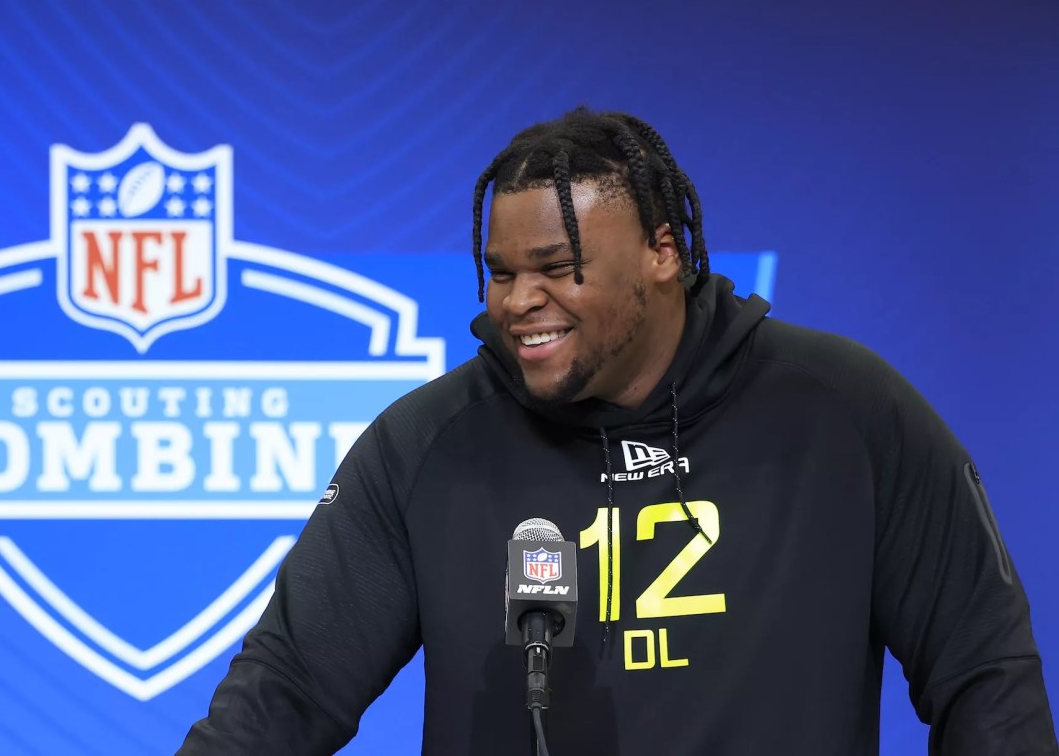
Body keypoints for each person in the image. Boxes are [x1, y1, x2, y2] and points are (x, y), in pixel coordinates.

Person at [177, 107, 1057, 754]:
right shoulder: (425, 444)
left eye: (557, 269)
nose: (520, 302)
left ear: (663, 253)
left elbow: (988, 679)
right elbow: (286, 691)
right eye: (500, 272)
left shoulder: (848, 412)